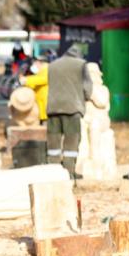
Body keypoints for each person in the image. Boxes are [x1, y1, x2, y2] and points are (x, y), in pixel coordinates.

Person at [45, 43, 93, 178]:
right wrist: (86, 97)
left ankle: (52, 172)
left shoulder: (52, 65)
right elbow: (88, 87)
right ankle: (68, 172)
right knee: (72, 141)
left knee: (53, 142)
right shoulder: (81, 65)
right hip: (72, 108)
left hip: (53, 108)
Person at [21, 56, 49, 123]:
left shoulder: (47, 69)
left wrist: (27, 80)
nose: (34, 65)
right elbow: (35, 81)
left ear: (40, 63)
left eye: (35, 63)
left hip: (45, 100)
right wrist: (26, 82)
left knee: (45, 121)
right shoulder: (41, 71)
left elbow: (43, 79)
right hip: (40, 100)